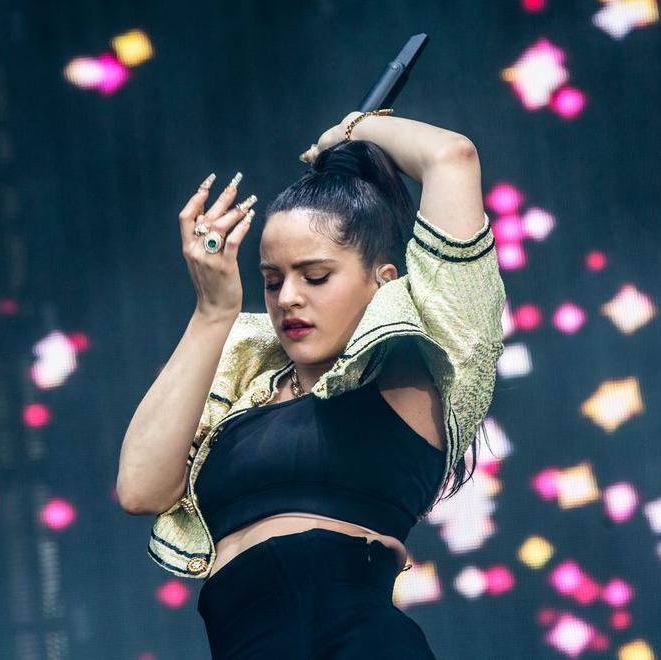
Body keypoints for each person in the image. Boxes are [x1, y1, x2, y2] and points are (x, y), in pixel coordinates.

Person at [117, 110, 507, 658]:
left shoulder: (415, 366)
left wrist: (347, 131)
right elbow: (140, 489)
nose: (289, 298)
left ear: (383, 282)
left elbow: (452, 157)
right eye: (272, 280)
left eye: (316, 276)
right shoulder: (245, 387)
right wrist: (212, 311)